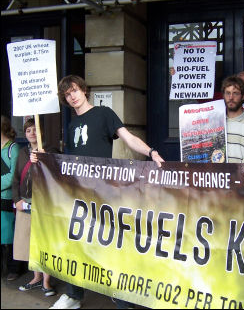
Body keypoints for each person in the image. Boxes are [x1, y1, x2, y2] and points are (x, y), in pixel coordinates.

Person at [30, 75, 164, 309]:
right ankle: (73, 295)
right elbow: (68, 162)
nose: (72, 96)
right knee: (76, 240)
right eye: (67, 94)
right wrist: (41, 159)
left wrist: (151, 152)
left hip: (104, 192)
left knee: (110, 241)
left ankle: (123, 299)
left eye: (74, 90)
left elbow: (129, 138)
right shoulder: (71, 126)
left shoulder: (104, 114)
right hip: (78, 192)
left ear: (83, 89)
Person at [12, 118, 57, 297]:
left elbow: (55, 173)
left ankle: (47, 281)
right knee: (29, 242)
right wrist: (16, 200)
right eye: (28, 130)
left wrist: (43, 157)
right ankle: (36, 277)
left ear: (41, 132)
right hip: (25, 202)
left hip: (44, 203)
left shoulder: (51, 150)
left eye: (35, 129)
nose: (32, 133)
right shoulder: (22, 153)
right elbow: (16, 179)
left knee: (44, 241)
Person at [1, 115, 22, 281]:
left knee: (9, 234)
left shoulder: (12, 149)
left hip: (7, 198)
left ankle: (13, 267)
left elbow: (13, 175)